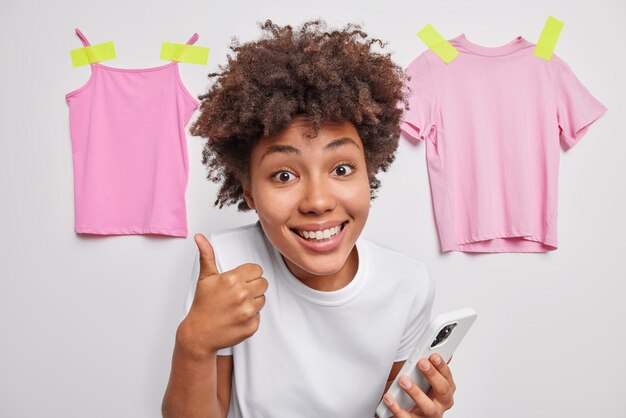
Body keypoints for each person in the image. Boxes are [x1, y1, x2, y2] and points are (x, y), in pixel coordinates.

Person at [162, 19, 456, 418]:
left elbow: (391, 409)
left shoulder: (408, 285)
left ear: (369, 171)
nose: (317, 201)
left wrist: (420, 410)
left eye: (342, 170)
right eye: (284, 175)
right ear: (249, 190)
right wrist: (194, 343)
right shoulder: (227, 265)